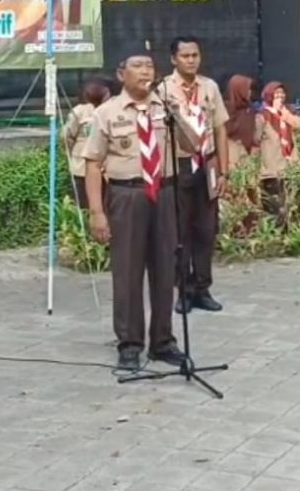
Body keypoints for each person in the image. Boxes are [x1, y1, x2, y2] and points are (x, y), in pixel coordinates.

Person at [82, 49, 200, 371]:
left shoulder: (167, 107)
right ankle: (130, 342)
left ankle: (162, 341)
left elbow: (193, 146)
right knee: (128, 271)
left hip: (164, 193)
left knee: (165, 268)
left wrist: (178, 115)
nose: (145, 71)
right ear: (122, 74)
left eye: (149, 65)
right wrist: (96, 212)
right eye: (137, 66)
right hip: (127, 194)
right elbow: (92, 165)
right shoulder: (106, 113)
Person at [160, 36, 229, 314]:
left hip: (208, 163)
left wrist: (224, 171)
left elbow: (221, 128)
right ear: (174, 59)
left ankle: (203, 288)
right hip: (179, 165)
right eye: (185, 56)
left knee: (206, 229)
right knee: (181, 231)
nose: (191, 60)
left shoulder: (209, 87)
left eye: (195, 55)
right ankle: (184, 290)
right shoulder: (164, 89)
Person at [256, 81, 300, 221]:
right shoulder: (262, 115)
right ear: (269, 96)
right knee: (274, 206)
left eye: (282, 93)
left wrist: (284, 113)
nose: (280, 96)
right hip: (271, 168)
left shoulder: (287, 112)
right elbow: (256, 139)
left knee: (289, 204)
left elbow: (299, 126)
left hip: (289, 166)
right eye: (276, 94)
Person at [64, 79, 110, 209]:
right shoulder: (79, 111)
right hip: (82, 169)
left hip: (107, 169)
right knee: (85, 206)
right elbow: (67, 137)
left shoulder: (111, 110)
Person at [223, 74, 257, 171]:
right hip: (232, 155)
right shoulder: (226, 109)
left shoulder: (249, 109)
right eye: (248, 89)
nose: (250, 92)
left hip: (249, 156)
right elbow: (225, 132)